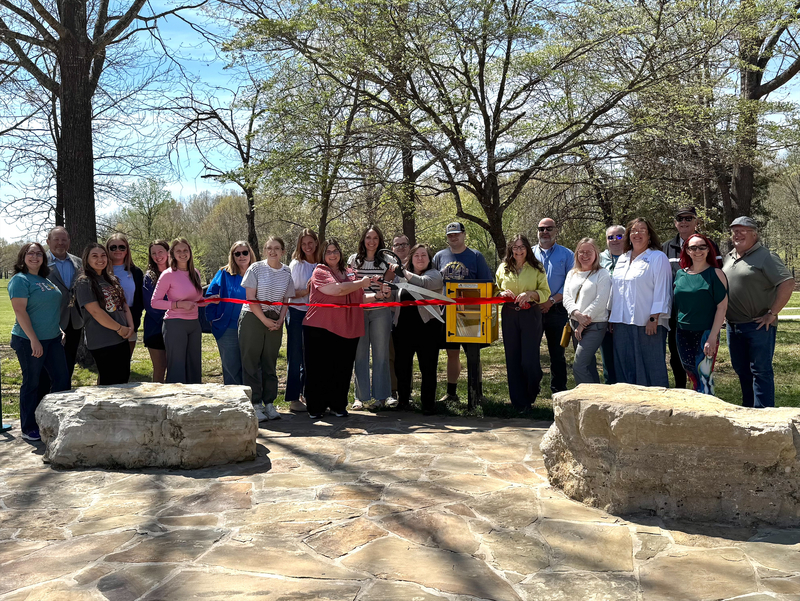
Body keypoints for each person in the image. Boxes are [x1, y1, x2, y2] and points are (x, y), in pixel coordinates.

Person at [303, 238, 383, 419]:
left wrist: (378, 295)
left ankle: (338, 405)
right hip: (319, 327)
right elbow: (336, 290)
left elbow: (359, 298)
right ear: (323, 255)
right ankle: (316, 407)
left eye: (335, 251)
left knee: (342, 368)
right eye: (328, 251)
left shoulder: (350, 273)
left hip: (346, 328)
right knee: (318, 369)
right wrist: (361, 283)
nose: (333, 254)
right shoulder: (320, 271)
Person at [722, 216, 793, 408]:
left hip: (758, 325)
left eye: (743, 230)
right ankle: (748, 409)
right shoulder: (730, 257)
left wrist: (773, 312)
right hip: (733, 325)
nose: (738, 234)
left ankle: (764, 414)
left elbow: (787, 283)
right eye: (735, 230)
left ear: (755, 233)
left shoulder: (766, 256)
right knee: (741, 370)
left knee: (760, 371)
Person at [8, 242, 70, 441]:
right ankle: (29, 426)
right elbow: (20, 311)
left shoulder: (45, 279)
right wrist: (34, 340)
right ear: (22, 257)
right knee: (32, 383)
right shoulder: (20, 280)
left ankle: (55, 419)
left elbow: (48, 309)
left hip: (52, 339)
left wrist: (58, 329)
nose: (35, 257)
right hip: (28, 340)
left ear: (44, 258)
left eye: (39, 254)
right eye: (30, 253)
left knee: (62, 380)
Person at [662, 206, 722, 389]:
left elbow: (718, 278)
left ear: (696, 222)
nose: (684, 222)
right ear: (675, 223)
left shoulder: (709, 245)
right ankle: (682, 393)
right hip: (676, 317)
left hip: (704, 318)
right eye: (680, 219)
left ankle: (703, 399)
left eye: (689, 218)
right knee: (678, 359)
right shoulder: (666, 247)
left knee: (703, 364)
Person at [433, 221, 493, 403]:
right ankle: (452, 393)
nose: (454, 237)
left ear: (464, 234)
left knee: (473, 353)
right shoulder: (439, 256)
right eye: (450, 235)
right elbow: (433, 282)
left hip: (470, 312)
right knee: (452, 353)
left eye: (457, 234)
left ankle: (477, 392)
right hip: (447, 311)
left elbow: (487, 283)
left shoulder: (475, 256)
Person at [609, 218, 672, 387]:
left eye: (642, 230)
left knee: (651, 367)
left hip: (648, 323)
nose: (637, 234)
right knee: (624, 367)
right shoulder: (622, 259)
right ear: (628, 235)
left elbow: (663, 289)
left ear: (649, 235)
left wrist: (654, 318)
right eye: (634, 231)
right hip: (621, 322)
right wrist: (611, 316)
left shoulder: (658, 257)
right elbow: (616, 290)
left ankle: (656, 407)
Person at [239, 237, 295, 421]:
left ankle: (269, 403)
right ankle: (255, 404)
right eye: (269, 248)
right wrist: (264, 320)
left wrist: (280, 319)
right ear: (264, 250)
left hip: (275, 320)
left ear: (283, 252)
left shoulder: (287, 271)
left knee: (269, 362)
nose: (273, 251)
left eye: (277, 248)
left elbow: (287, 298)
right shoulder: (255, 268)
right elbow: (250, 298)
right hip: (254, 318)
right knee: (251, 362)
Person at [496, 234, 550, 412]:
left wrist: (531, 294)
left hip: (530, 315)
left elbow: (545, 291)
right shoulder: (503, 268)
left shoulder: (537, 268)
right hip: (510, 315)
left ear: (527, 248)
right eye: (515, 247)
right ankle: (520, 403)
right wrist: (501, 294)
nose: (519, 251)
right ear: (510, 249)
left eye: (522, 247)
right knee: (512, 358)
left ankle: (533, 387)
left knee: (528, 360)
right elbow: (495, 289)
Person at [348, 225, 397, 411]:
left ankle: (381, 397)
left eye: (375, 238)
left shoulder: (387, 260)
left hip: (380, 311)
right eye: (368, 237)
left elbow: (391, 284)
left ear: (380, 240)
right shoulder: (354, 260)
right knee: (359, 354)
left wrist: (385, 282)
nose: (372, 241)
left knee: (381, 354)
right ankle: (359, 397)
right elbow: (350, 284)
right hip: (359, 310)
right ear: (363, 239)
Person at [673, 233, 728, 395]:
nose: (698, 251)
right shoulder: (680, 274)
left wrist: (712, 336)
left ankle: (708, 414)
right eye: (693, 247)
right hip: (682, 332)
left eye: (702, 247)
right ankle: (695, 412)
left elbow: (722, 308)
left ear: (708, 250)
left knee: (704, 375)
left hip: (705, 333)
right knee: (691, 373)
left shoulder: (715, 274)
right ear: (687, 251)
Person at [392, 244, 444, 414]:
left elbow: (422, 283)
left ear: (429, 259)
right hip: (403, 329)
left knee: (428, 368)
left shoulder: (435, 275)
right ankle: (403, 401)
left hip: (428, 328)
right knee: (402, 367)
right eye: (417, 256)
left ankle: (428, 404)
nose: (420, 258)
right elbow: (394, 296)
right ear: (411, 258)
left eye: (424, 255)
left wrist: (403, 272)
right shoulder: (399, 277)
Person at [151, 239, 211, 384]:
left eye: (185, 250)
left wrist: (209, 300)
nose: (182, 254)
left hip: (194, 325)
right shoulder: (168, 274)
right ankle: (175, 401)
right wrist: (178, 304)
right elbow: (155, 302)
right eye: (178, 251)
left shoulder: (195, 273)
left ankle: (194, 400)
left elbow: (196, 300)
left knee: (194, 365)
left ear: (190, 252)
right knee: (177, 367)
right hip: (175, 324)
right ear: (172, 254)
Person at [74, 244, 134, 385]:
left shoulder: (111, 279)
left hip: (122, 338)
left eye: (103, 255)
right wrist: (119, 328)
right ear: (86, 259)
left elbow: (124, 306)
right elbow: (96, 312)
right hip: (103, 341)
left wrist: (130, 327)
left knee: (123, 380)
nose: (100, 259)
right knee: (110, 384)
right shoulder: (84, 282)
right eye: (95, 256)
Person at [38, 226, 83, 399]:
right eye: (56, 239)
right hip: (49, 322)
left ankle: (63, 402)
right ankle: (43, 404)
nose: (60, 243)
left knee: (68, 365)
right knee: (46, 369)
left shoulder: (78, 262)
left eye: (64, 239)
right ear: (48, 241)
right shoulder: (40, 262)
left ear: (69, 242)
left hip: (74, 321)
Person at [532, 217, 574, 394]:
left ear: (556, 231)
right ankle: (532, 389)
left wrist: (550, 301)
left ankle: (558, 391)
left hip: (557, 309)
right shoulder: (528, 253)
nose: (545, 232)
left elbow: (571, 282)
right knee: (531, 352)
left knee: (557, 354)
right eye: (541, 229)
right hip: (533, 309)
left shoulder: (567, 254)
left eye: (549, 229)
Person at [563, 238, 612, 385]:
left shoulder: (602, 274)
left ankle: (585, 399)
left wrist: (583, 323)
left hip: (594, 326)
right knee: (588, 366)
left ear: (596, 254)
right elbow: (566, 297)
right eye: (581, 252)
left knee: (579, 365)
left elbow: (600, 301)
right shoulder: (572, 274)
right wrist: (576, 314)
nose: (585, 255)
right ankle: (595, 398)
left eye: (589, 252)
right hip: (574, 324)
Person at [205, 241, 254, 386]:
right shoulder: (224, 273)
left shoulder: (258, 273)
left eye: (245, 252)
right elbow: (210, 297)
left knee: (251, 366)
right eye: (237, 253)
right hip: (228, 328)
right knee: (231, 367)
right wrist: (213, 320)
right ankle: (234, 404)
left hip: (252, 327)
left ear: (250, 253)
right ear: (232, 256)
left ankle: (254, 402)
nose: (241, 256)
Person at [285, 229, 320, 413]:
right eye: (303, 243)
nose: (307, 246)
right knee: (295, 356)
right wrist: (306, 292)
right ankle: (292, 398)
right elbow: (289, 293)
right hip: (297, 313)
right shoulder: (296, 265)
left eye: (310, 243)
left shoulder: (322, 265)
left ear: (316, 243)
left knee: (312, 358)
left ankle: (309, 394)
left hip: (317, 315)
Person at [106, 233, 144, 357]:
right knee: (107, 369)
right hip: (107, 323)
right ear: (107, 250)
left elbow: (139, 300)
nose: (118, 250)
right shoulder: (101, 271)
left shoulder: (136, 272)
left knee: (124, 366)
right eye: (113, 247)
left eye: (122, 247)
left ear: (127, 250)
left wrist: (133, 323)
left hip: (130, 324)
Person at [599, 225, 625, 384]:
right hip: (603, 314)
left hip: (626, 315)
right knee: (607, 357)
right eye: (610, 237)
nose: (615, 240)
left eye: (619, 236)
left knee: (625, 356)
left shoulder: (633, 256)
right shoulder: (598, 258)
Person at [143, 240, 170, 382]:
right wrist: (170, 315)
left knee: (174, 367)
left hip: (176, 327)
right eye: (153, 253)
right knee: (160, 369)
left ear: (168, 252)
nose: (157, 256)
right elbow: (151, 306)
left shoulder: (177, 273)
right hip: (155, 328)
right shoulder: (149, 277)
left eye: (160, 252)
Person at [389, 233, 411, 399]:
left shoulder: (415, 264)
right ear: (392, 249)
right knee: (391, 355)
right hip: (390, 316)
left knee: (406, 357)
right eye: (398, 245)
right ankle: (393, 391)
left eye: (404, 244)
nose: (401, 247)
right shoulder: (388, 267)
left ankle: (407, 392)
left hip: (410, 317)